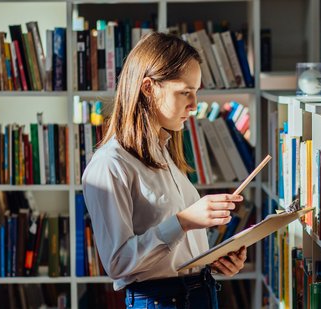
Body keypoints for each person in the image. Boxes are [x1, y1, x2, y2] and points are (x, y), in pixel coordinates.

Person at [82, 32, 247, 309]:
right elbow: (117, 263)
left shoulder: (164, 152)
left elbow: (174, 253)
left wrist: (213, 259)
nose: (194, 106)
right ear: (148, 87)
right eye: (185, 92)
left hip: (201, 292)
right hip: (163, 301)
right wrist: (182, 222)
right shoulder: (110, 165)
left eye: (196, 93)